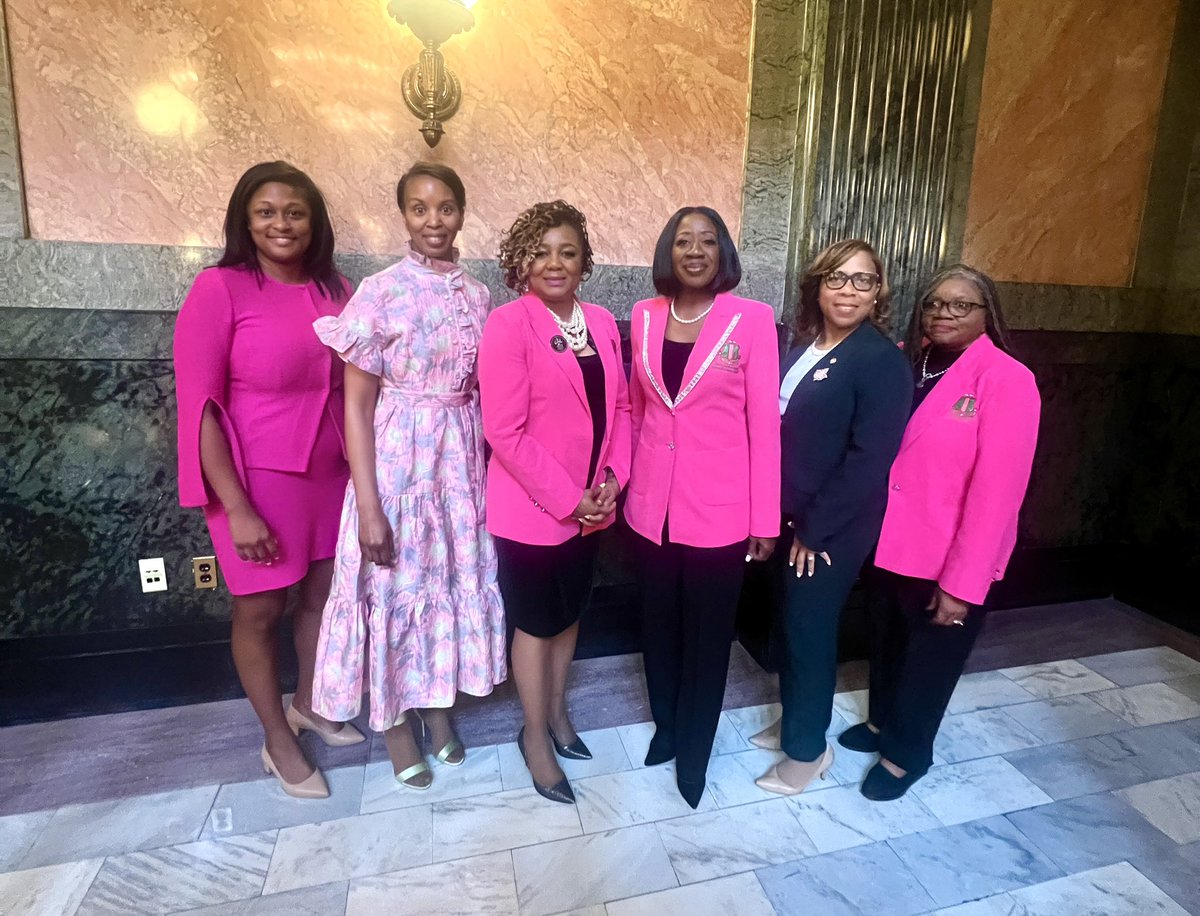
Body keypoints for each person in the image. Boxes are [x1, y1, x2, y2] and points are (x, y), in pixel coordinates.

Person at [311, 163, 507, 790]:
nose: (433, 221)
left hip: (459, 467)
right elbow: (356, 406)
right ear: (403, 216)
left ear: (461, 213)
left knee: (446, 585)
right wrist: (370, 506)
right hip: (398, 467)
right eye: (419, 208)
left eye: (445, 208)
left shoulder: (478, 295)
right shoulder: (379, 291)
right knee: (394, 591)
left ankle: (437, 707)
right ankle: (394, 723)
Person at [174, 161, 362, 800]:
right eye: (266, 212)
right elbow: (199, 407)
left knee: (322, 596)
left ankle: (310, 702)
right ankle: (277, 739)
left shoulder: (336, 289)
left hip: (330, 474)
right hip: (254, 481)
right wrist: (237, 506)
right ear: (245, 221)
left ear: (314, 222)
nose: (282, 224)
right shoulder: (220, 288)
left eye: (295, 212)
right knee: (260, 609)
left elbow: (361, 386)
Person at [843, 264, 1041, 800]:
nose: (945, 313)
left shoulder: (1006, 379)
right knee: (886, 644)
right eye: (935, 303)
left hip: (949, 557)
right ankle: (883, 722)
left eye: (961, 305)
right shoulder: (908, 361)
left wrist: (963, 583)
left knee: (929, 662)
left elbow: (997, 495)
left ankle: (907, 755)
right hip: (889, 544)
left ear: (987, 314)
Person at [624, 206, 780, 808]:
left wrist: (765, 518)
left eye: (707, 241)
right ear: (669, 251)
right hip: (650, 505)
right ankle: (667, 725)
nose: (695, 250)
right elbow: (636, 410)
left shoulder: (752, 319)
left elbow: (764, 426)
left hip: (721, 509)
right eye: (684, 241)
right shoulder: (644, 315)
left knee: (708, 636)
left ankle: (696, 751)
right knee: (658, 626)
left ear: (723, 254)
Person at [479, 200, 631, 805]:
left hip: (594, 504)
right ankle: (534, 735)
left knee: (570, 615)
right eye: (540, 251)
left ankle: (559, 715)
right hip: (537, 510)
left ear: (584, 260)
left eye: (567, 251)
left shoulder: (597, 320)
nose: (555, 263)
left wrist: (615, 478)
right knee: (537, 624)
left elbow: (620, 408)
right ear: (520, 261)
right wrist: (571, 500)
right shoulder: (509, 325)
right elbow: (505, 432)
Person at [752, 240, 913, 796]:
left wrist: (815, 528)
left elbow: (870, 460)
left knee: (809, 633)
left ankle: (807, 752)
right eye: (836, 279)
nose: (849, 290)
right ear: (816, 287)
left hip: (832, 527)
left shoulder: (881, 360)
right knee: (791, 626)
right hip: (792, 518)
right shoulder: (805, 346)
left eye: (863, 280)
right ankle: (798, 719)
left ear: (878, 292)